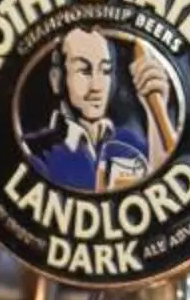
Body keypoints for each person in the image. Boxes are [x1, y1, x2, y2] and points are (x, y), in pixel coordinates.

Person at [29, 26, 178, 193]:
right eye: (84, 71)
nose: (97, 86)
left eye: (105, 70)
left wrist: (155, 110)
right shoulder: (37, 152)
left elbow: (165, 183)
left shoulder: (131, 144)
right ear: (56, 79)